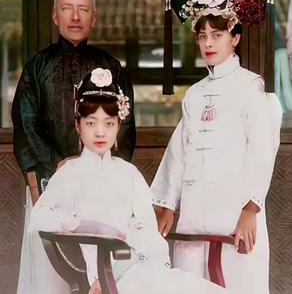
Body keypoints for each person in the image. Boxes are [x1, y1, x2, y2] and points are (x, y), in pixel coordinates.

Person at [29, 67, 230, 294]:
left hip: (143, 271)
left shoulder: (129, 173)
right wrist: (81, 225)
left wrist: (132, 259)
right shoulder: (70, 173)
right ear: (78, 126)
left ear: (118, 127)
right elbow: (40, 217)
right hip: (105, 278)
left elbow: (149, 237)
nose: (100, 132)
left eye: (108, 124)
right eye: (91, 123)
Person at [151, 0, 282, 294]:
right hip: (197, 211)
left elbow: (261, 152)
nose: (209, 43)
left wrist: (251, 208)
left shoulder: (253, 88)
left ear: (235, 37)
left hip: (235, 213)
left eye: (218, 34)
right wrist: (167, 201)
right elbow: (179, 152)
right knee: (191, 283)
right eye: (203, 35)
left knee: (238, 283)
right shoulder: (194, 96)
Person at [12, 0, 135, 294]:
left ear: (94, 17)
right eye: (67, 8)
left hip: (100, 192)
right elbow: (26, 126)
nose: (75, 16)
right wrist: (50, 172)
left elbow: (126, 129)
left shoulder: (111, 67)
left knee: (99, 277)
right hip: (47, 186)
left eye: (83, 9)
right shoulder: (37, 67)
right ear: (55, 16)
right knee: (47, 278)